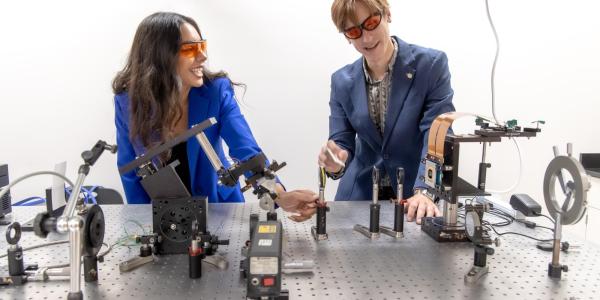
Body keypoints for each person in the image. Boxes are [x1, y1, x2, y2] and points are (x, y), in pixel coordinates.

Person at [113, 12, 316, 222]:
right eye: (191, 48)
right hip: (165, 221)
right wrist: (142, 224)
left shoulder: (216, 91)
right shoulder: (128, 102)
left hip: (219, 212)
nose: (203, 56)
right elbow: (130, 170)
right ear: (161, 56)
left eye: (202, 46)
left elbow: (246, 151)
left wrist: (279, 195)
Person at [318, 0, 455, 224]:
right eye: (354, 31)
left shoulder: (431, 65)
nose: (366, 38)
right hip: (357, 198)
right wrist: (336, 162)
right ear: (346, 36)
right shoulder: (341, 81)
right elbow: (341, 142)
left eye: (371, 22)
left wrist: (425, 189)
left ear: (387, 14)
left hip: (415, 195)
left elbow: (437, 133)